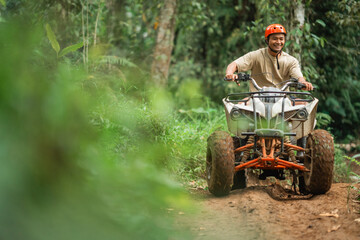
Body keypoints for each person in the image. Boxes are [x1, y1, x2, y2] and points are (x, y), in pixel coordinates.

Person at [225, 24, 313, 91]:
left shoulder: (291, 61)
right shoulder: (256, 55)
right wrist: (230, 74)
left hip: (282, 101)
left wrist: (303, 82)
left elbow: (298, 76)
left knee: (305, 107)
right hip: (257, 99)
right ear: (267, 40)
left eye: (281, 39)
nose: (278, 42)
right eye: (274, 38)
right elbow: (234, 64)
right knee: (237, 107)